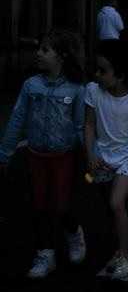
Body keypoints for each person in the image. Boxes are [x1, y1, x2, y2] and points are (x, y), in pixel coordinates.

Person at [0, 31, 86, 279]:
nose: (39, 53)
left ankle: (74, 233)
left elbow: (81, 125)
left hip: (65, 157)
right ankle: (45, 253)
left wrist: (90, 157)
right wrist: (5, 153)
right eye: (39, 49)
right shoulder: (31, 85)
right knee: (38, 205)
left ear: (61, 56)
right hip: (35, 155)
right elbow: (17, 119)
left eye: (45, 50)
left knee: (62, 207)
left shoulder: (76, 88)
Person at [85, 39, 128, 282]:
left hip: (126, 161)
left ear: (119, 76)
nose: (97, 75)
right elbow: (88, 125)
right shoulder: (92, 91)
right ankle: (117, 249)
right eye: (96, 69)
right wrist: (91, 155)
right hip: (101, 159)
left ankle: (126, 260)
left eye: (103, 71)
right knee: (108, 209)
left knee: (116, 202)